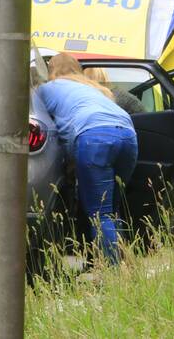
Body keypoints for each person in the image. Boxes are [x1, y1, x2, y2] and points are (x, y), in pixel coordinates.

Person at [35, 53, 138, 264]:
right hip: (128, 135)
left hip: (94, 138)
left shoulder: (47, 89)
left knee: (100, 212)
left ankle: (113, 272)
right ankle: (125, 263)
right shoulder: (95, 88)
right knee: (112, 207)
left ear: (51, 70)